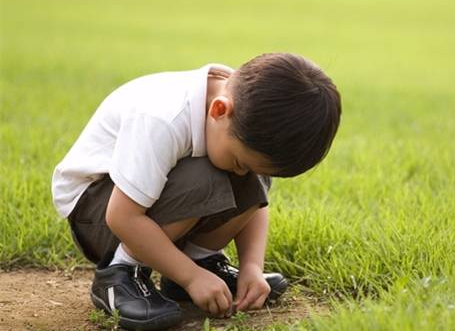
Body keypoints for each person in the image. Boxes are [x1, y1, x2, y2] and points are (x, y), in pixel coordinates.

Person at [51, 52, 341, 330]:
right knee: (208, 178)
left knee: (248, 178)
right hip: (96, 212)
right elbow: (122, 217)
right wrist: (192, 278)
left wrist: (252, 266)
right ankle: (120, 274)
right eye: (240, 161)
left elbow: (256, 200)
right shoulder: (162, 119)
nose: (242, 172)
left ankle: (199, 261)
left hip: (142, 207)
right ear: (219, 110)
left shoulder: (241, 105)